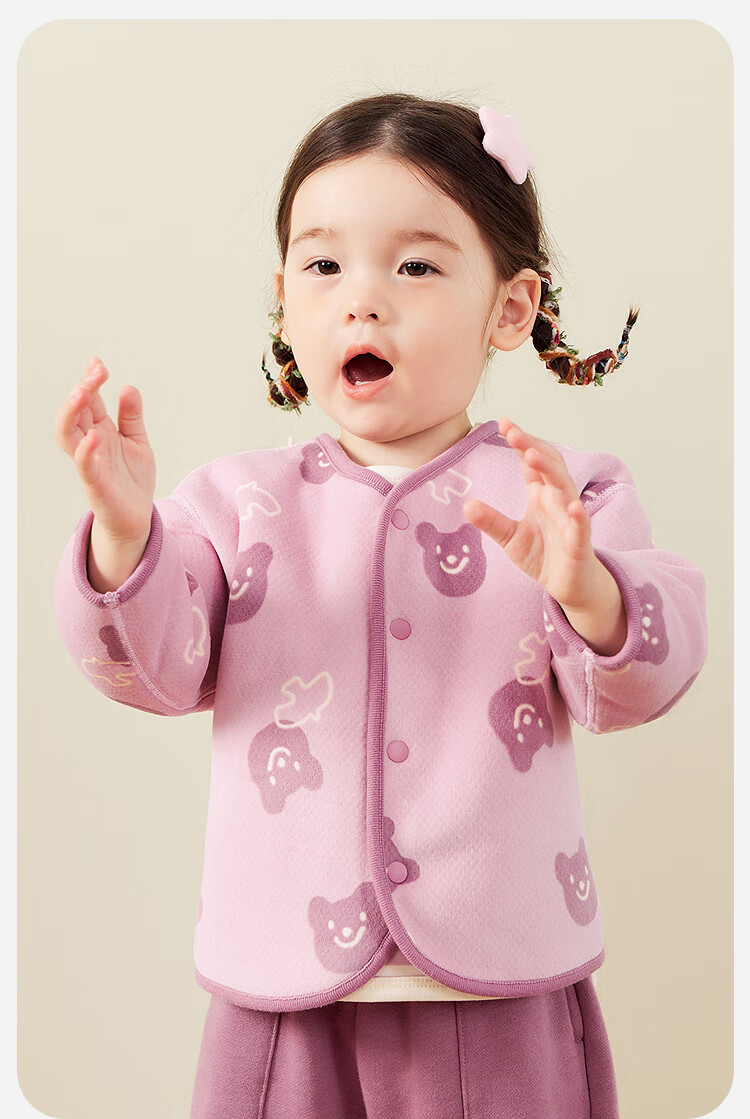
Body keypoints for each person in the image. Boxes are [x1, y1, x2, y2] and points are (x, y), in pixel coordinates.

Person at [53, 93, 708, 1119]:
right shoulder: (232, 504)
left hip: (505, 989)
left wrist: (586, 590)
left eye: (415, 267)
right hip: (279, 997)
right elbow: (154, 667)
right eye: (323, 265)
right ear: (284, 302)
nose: (362, 300)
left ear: (510, 308)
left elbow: (643, 683)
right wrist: (125, 533)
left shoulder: (564, 495)